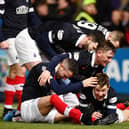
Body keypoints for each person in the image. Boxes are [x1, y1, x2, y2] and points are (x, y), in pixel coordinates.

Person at [20, 56, 98, 123]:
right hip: (28, 108)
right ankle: (82, 117)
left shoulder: (58, 76)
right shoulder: (44, 69)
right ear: (61, 66)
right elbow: (58, 90)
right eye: (64, 75)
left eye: (66, 77)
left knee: (72, 104)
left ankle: (88, 118)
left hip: (43, 112)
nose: (64, 78)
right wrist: (82, 84)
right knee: (54, 98)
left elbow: (65, 89)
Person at [0, 0, 41, 120]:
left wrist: (41, 30)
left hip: (24, 36)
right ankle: (21, 109)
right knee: (21, 70)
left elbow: (32, 17)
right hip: (10, 36)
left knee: (13, 71)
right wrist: (1, 38)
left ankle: (7, 107)